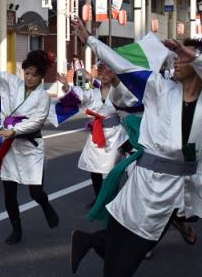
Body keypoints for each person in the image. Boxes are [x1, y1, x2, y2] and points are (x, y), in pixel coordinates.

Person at [69, 19, 202, 277]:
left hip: (182, 180)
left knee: (139, 236)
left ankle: (90, 242)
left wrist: (194, 54)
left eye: (182, 58)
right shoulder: (158, 88)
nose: (176, 62)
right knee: (136, 240)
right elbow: (123, 66)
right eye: (176, 57)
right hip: (147, 177)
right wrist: (92, 41)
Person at [0, 50, 59, 245]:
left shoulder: (43, 97)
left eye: (34, 74)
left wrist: (14, 131)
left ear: (41, 76)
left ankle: (45, 205)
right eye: (27, 73)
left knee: (35, 192)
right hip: (11, 147)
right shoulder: (14, 83)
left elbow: (36, 122)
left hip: (31, 147)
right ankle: (16, 229)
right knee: (9, 190)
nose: (29, 78)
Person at [51, 61, 139, 205]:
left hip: (114, 135)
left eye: (108, 72)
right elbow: (79, 96)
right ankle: (98, 198)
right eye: (102, 71)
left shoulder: (117, 93)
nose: (104, 75)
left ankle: (113, 199)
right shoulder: (93, 93)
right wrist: (66, 86)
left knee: (113, 170)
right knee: (94, 169)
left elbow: (129, 103)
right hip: (97, 136)